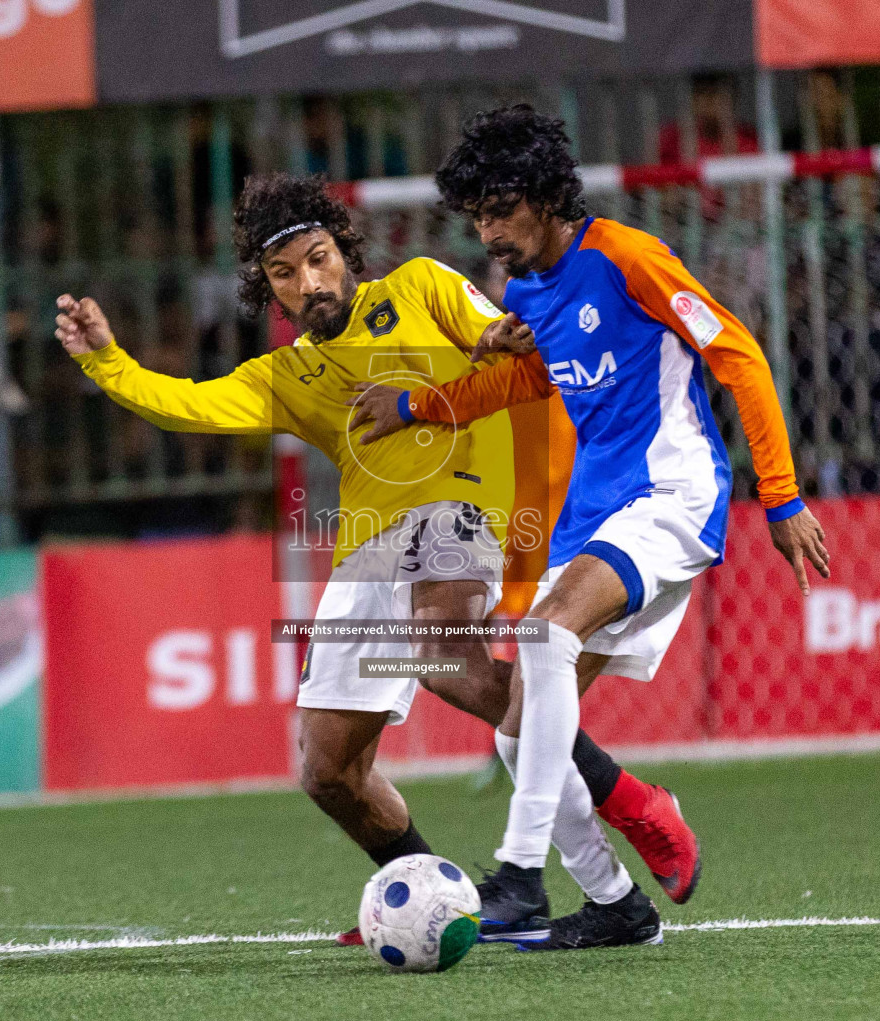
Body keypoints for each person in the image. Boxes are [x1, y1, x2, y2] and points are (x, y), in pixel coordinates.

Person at [57, 172, 675, 948]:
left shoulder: (418, 288)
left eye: (318, 259)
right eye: (285, 274)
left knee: (442, 654)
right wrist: (106, 360)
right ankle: (429, 898)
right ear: (267, 288)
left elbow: (488, 330)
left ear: (343, 251)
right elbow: (187, 402)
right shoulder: (285, 377)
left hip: (460, 510)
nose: (308, 282)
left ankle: (623, 805)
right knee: (327, 771)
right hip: (368, 554)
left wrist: (495, 336)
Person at [351, 106, 830, 949]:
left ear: (544, 196)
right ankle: (616, 902)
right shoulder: (525, 291)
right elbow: (523, 385)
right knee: (516, 730)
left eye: (501, 211)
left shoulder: (628, 257)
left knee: (540, 637)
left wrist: (781, 497)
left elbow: (740, 356)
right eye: (478, 218)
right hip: (596, 515)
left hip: (670, 495)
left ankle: (520, 876)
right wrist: (419, 405)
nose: (489, 232)